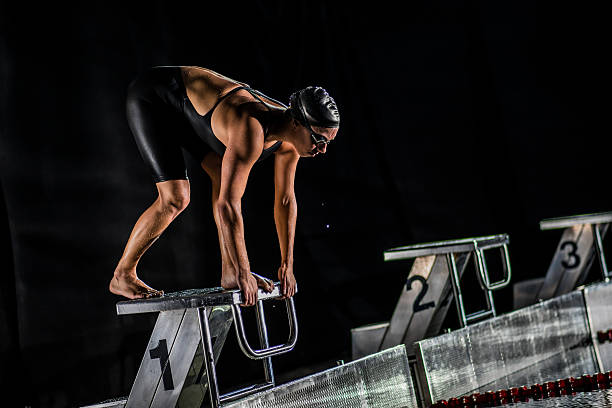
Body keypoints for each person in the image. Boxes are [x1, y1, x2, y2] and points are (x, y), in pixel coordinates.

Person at [109, 66, 340, 306]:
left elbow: (285, 201)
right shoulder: (251, 128)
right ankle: (122, 274)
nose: (322, 150)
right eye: (319, 140)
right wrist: (244, 269)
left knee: (222, 174)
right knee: (176, 198)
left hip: (189, 109)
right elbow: (227, 205)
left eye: (327, 142)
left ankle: (229, 271)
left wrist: (287, 265)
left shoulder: (289, 142)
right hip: (155, 96)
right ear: (296, 123)